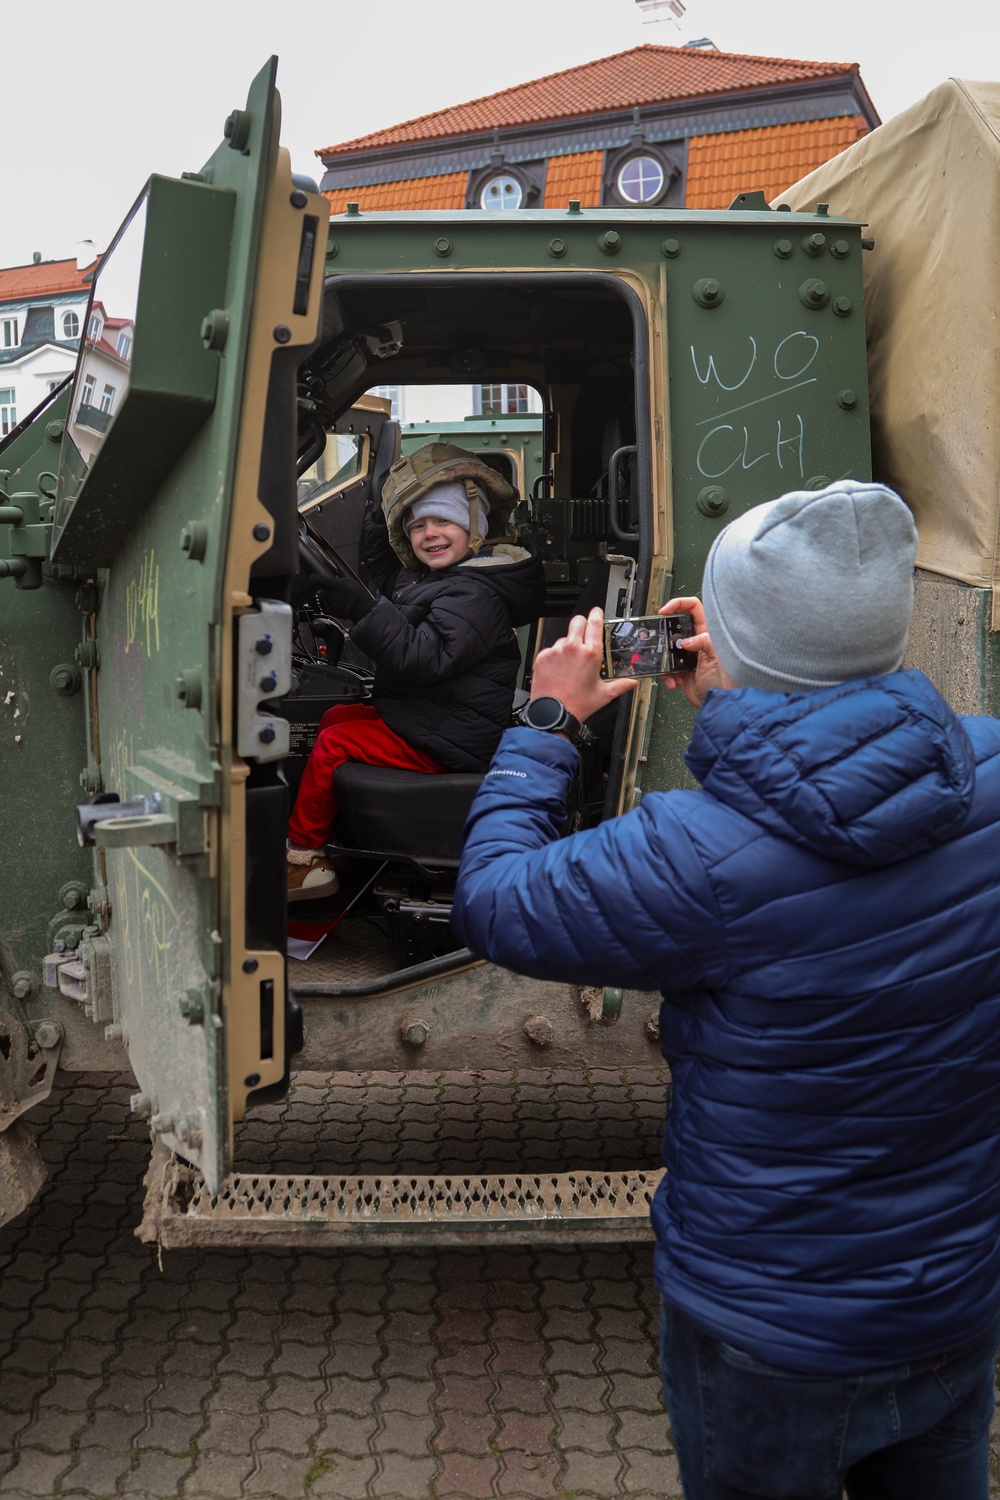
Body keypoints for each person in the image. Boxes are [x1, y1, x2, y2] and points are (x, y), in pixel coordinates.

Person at [450, 479, 1000, 1500]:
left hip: (769, 1332)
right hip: (952, 1303)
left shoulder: (695, 855)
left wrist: (544, 719)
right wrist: (751, 694)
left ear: (731, 635)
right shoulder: (987, 773)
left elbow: (492, 900)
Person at [287, 443, 545, 900]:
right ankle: (331, 838)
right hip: (436, 719)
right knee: (334, 719)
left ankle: (303, 860)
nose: (430, 535)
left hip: (453, 739)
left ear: (475, 526)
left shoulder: (474, 596)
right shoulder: (442, 579)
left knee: (332, 742)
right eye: (417, 526)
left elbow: (422, 658)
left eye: (444, 522)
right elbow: (389, 577)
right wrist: (376, 512)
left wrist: (363, 610)